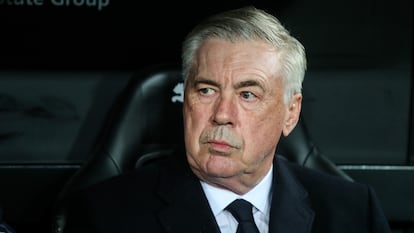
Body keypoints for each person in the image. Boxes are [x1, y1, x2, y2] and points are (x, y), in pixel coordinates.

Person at [63, 6, 392, 233]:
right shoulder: (105, 215)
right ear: (186, 100)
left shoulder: (354, 211)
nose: (221, 114)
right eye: (206, 90)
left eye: (248, 95)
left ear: (290, 113)